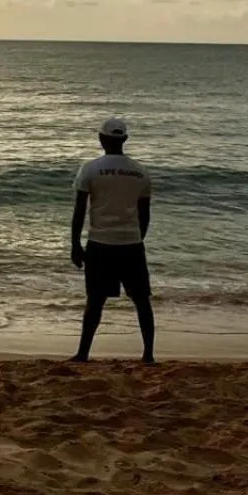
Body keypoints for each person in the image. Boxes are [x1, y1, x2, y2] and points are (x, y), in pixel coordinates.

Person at [70, 116, 155, 364]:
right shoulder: (141, 172)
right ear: (125, 139)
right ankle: (148, 354)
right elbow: (144, 214)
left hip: (100, 243)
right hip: (131, 244)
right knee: (141, 301)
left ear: (101, 138)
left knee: (95, 301)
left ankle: (83, 353)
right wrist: (137, 238)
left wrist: (75, 244)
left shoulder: (90, 169)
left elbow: (80, 211)